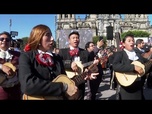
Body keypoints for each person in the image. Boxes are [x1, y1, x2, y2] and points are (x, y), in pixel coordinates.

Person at [19, 24, 98, 100]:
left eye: (51, 35)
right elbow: (28, 85)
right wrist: (63, 87)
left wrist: (84, 77)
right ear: (38, 38)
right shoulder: (26, 56)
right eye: (48, 35)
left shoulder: (56, 58)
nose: (52, 39)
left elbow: (65, 80)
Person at [59, 31, 99, 100]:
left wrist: (91, 71)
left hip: (80, 83)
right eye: (73, 38)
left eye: (77, 38)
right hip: (67, 83)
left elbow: (88, 68)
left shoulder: (85, 52)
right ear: (69, 40)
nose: (75, 39)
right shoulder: (62, 52)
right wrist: (69, 64)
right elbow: (58, 63)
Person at [112, 34, 149, 100]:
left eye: (133, 40)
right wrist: (133, 67)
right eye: (129, 41)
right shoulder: (120, 54)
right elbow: (115, 66)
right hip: (127, 87)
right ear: (123, 44)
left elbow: (146, 63)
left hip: (138, 86)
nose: (132, 42)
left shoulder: (137, 54)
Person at [0, 31, 21, 100]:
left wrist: (16, 68)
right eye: (2, 39)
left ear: (10, 42)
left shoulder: (18, 54)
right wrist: (1, 66)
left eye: (7, 39)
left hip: (16, 89)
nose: (4, 41)